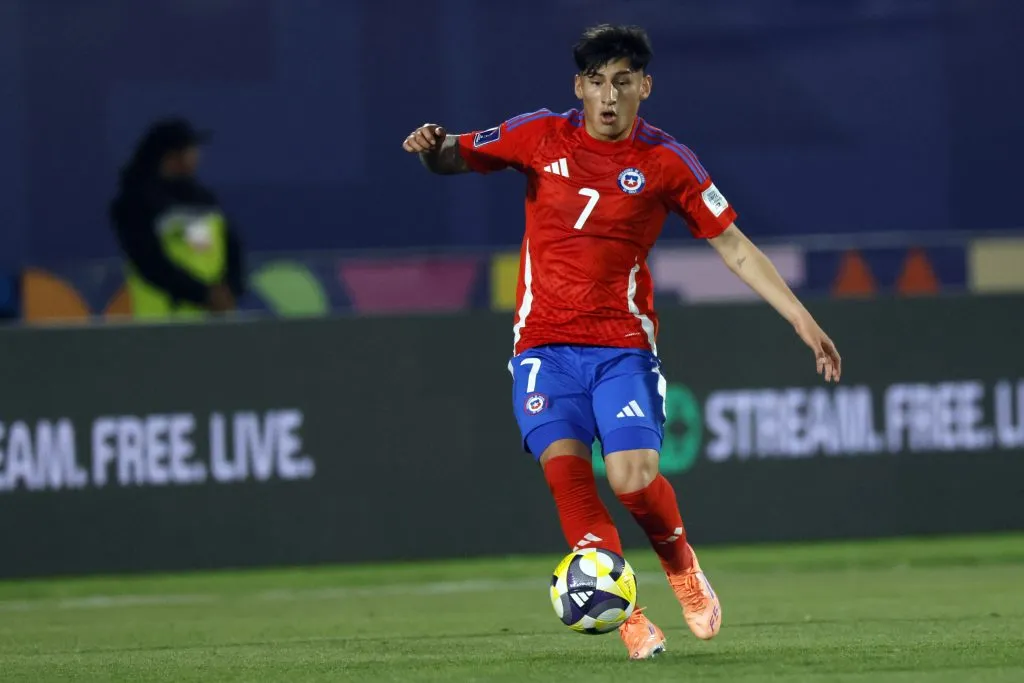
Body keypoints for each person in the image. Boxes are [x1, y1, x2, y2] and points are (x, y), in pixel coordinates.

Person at [403, 24, 841, 660]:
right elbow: (452, 157)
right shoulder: (539, 136)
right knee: (570, 478)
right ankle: (629, 616)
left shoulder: (667, 161)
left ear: (645, 87)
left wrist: (801, 319)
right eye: (598, 83)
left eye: (624, 83)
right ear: (579, 87)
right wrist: (428, 148)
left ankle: (683, 566)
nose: (610, 97)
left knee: (632, 479)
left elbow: (734, 246)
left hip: (621, 348)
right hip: (542, 348)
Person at [110, 118, 244, 320]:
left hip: (214, 321)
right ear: (171, 156)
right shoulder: (136, 203)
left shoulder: (203, 200)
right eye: (191, 150)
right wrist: (203, 294)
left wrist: (230, 290)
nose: (197, 156)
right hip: (163, 326)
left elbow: (232, 247)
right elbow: (150, 262)